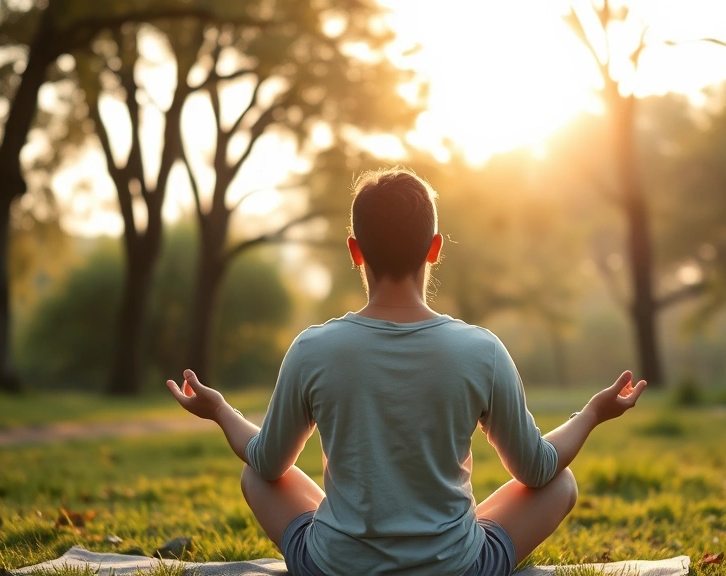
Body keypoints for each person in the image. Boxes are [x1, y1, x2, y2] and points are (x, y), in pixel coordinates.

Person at [166, 167, 646, 576]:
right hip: (455, 568)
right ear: (435, 247)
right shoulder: (481, 350)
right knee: (562, 482)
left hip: (337, 568)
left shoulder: (313, 348)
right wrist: (592, 413)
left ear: (356, 251)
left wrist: (220, 410)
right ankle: (438, 543)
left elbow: (267, 463)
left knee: (255, 475)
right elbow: (538, 469)